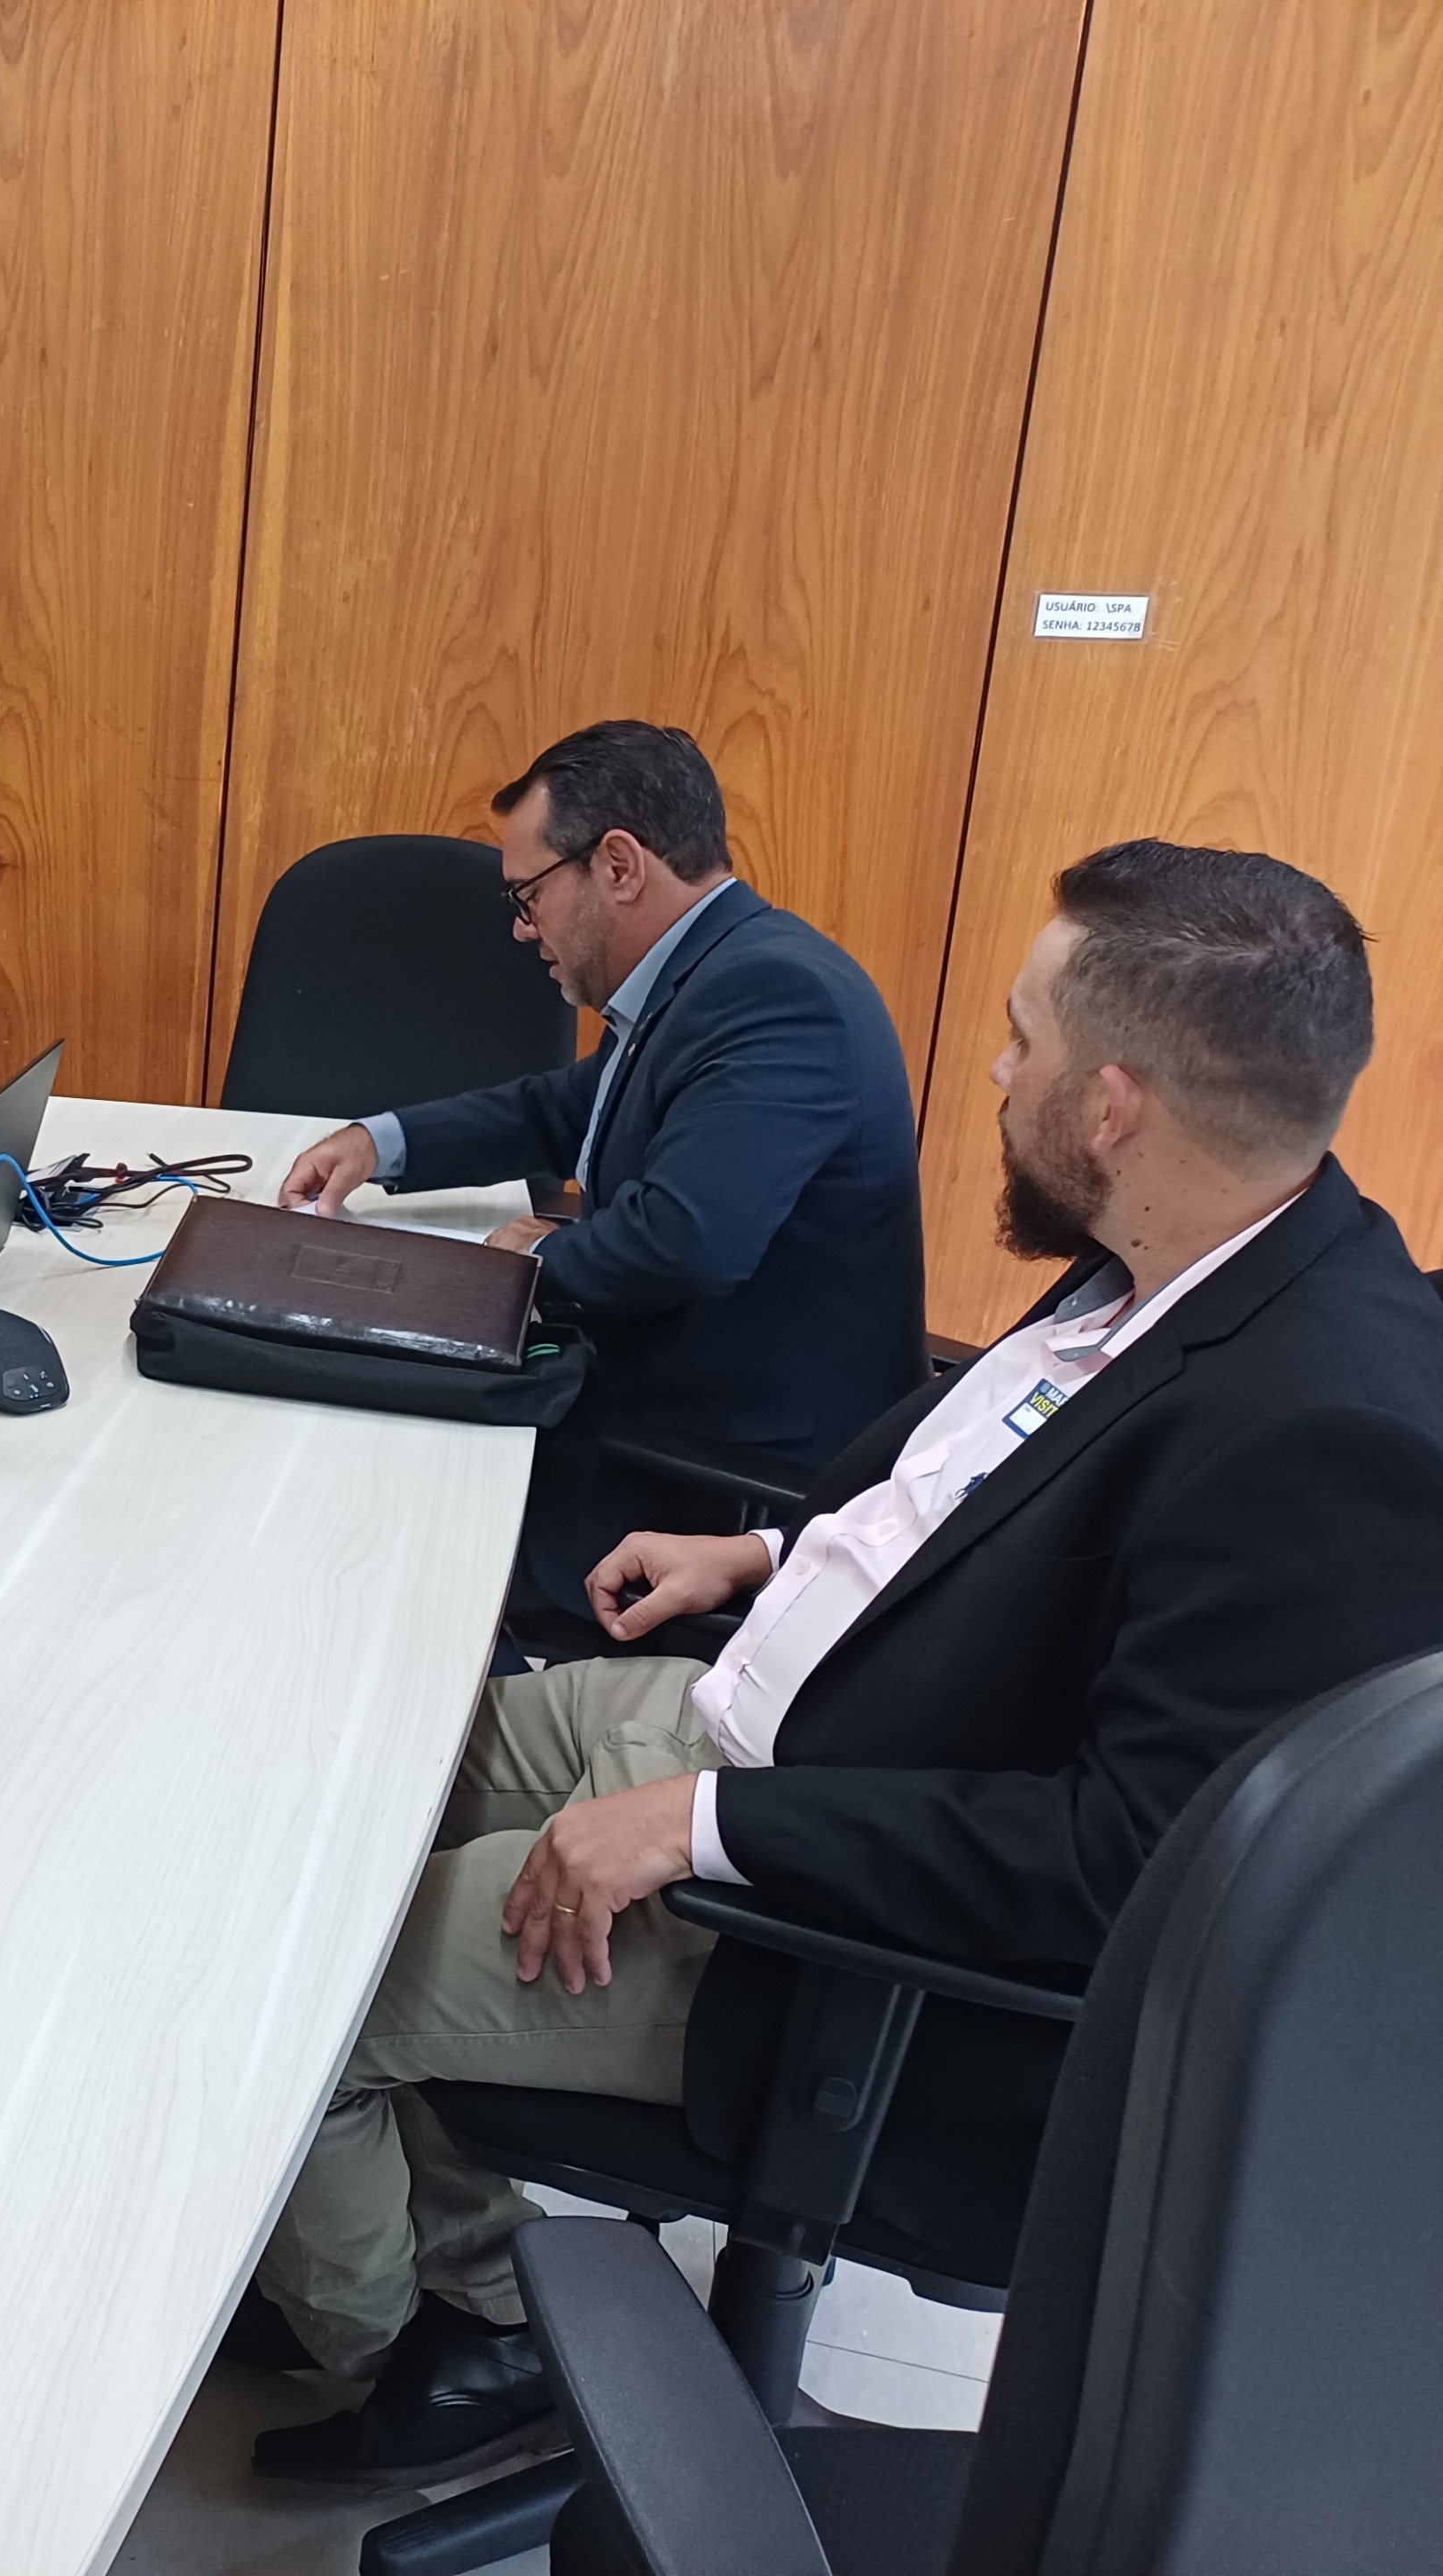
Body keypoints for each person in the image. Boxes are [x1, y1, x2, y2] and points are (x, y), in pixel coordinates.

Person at [241, 840, 1443, 2486]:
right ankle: (428, 2243)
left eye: (1020, 1039)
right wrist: (763, 1553)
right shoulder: (1192, 1251)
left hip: (820, 1927)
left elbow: (1125, 1867)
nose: (995, 1073)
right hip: (750, 1714)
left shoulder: (1323, 1429)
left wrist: (695, 1827)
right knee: (333, 1790)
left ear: (1111, 1107)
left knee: (291, 1989)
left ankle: (436, 2346)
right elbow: (980, 1503)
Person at [276, 722, 924, 1642]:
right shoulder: (713, 971)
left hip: (714, 1472)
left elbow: (685, 1241)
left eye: (529, 893)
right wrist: (379, 1144)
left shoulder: (777, 996)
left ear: (617, 865)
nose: (519, 925)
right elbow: (564, 1108)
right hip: (666, 1399)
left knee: (364, 1530)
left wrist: (532, 1259)